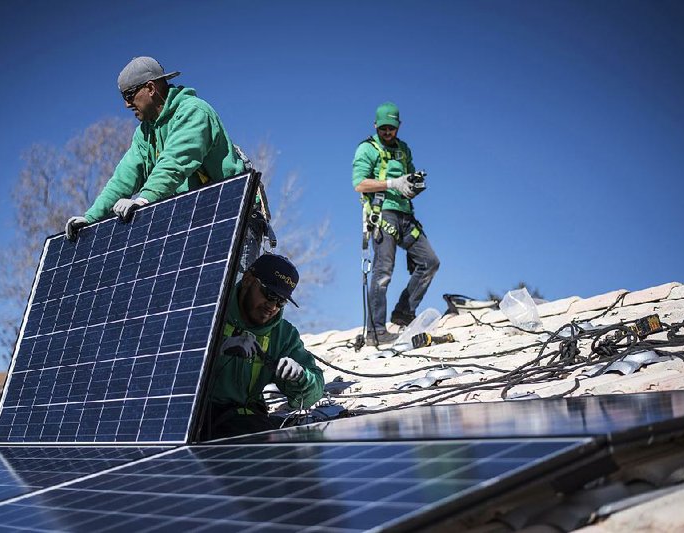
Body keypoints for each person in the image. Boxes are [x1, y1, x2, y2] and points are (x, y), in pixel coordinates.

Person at [65, 56, 246, 238]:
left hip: (233, 213)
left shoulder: (193, 112)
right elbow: (123, 178)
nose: (126, 104)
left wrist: (145, 199)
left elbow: (175, 162)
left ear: (150, 88)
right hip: (199, 220)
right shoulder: (145, 132)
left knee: (224, 266)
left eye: (129, 95)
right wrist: (91, 218)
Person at [203, 254, 325, 440]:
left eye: (281, 301)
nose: (273, 306)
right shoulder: (208, 312)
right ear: (247, 280)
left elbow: (311, 394)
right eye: (269, 294)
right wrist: (217, 349)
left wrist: (301, 377)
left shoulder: (283, 335)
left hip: (244, 420)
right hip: (194, 416)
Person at [352, 102, 440, 346]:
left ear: (399, 127)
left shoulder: (403, 150)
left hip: (405, 215)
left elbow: (408, 179)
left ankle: (403, 312)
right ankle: (375, 331)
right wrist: (393, 184)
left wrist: (412, 185)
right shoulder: (367, 149)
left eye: (392, 128)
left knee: (430, 261)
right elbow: (359, 183)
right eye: (383, 128)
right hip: (383, 215)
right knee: (383, 273)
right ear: (376, 126)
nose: (388, 133)